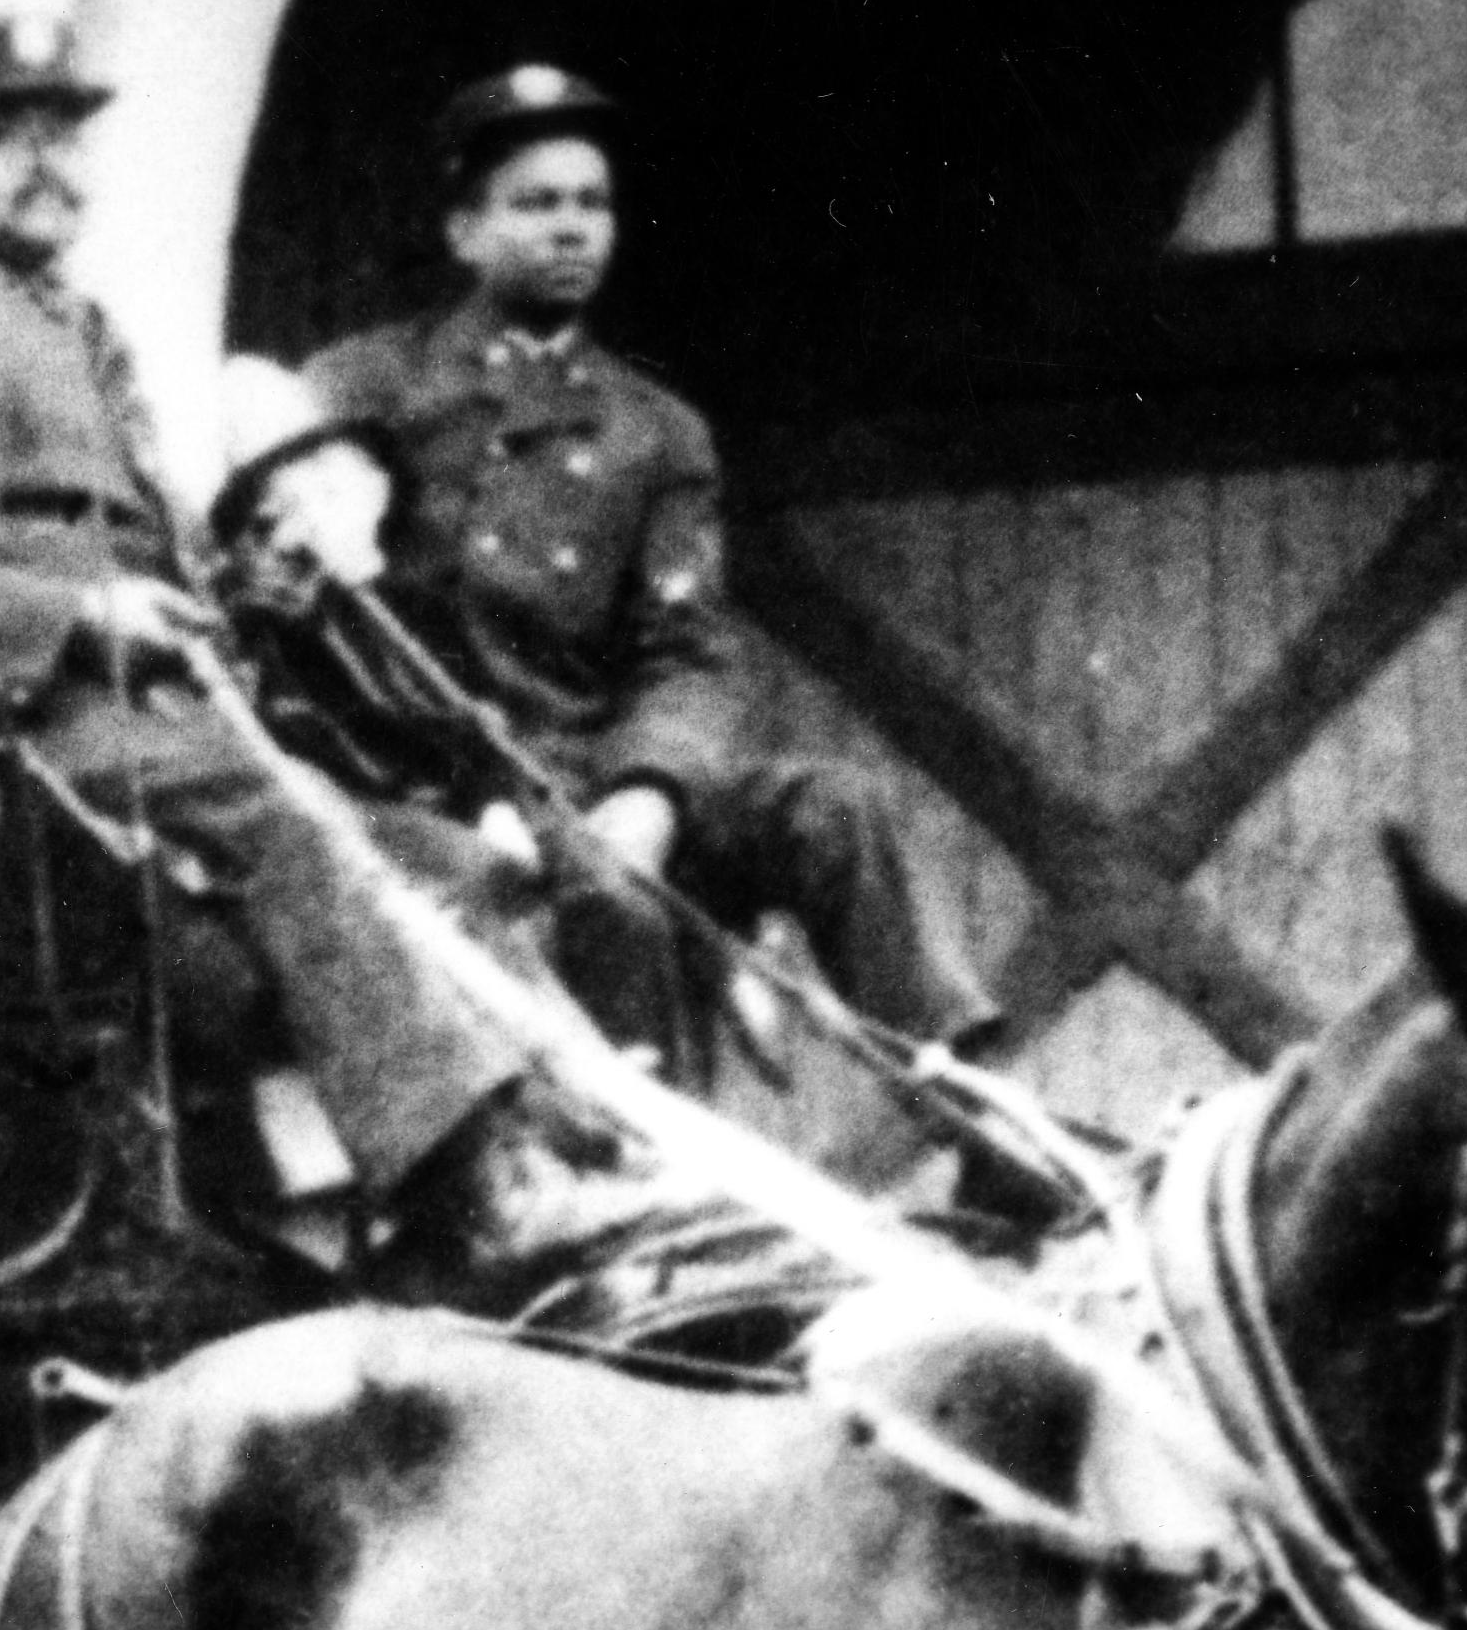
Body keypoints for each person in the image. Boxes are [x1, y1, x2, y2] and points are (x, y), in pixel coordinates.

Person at [0, 11, 650, 1294]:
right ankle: (476, 1191)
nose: (46, 161)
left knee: (453, 863)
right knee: (286, 822)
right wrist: (72, 617)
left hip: (133, 737)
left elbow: (119, 553)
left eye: (63, 135)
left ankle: (574, 1153)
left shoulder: (73, 331)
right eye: (0, 137)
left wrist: (243, 588)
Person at [300, 64, 1007, 1064]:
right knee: (609, 899)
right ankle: (665, 1139)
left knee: (833, 808)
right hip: (451, 783)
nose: (571, 229)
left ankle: (969, 1092)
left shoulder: (656, 431)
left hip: (601, 769)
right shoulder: (362, 387)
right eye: (536, 203)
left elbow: (689, 652)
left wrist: (649, 791)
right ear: (464, 231)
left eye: (591, 203)